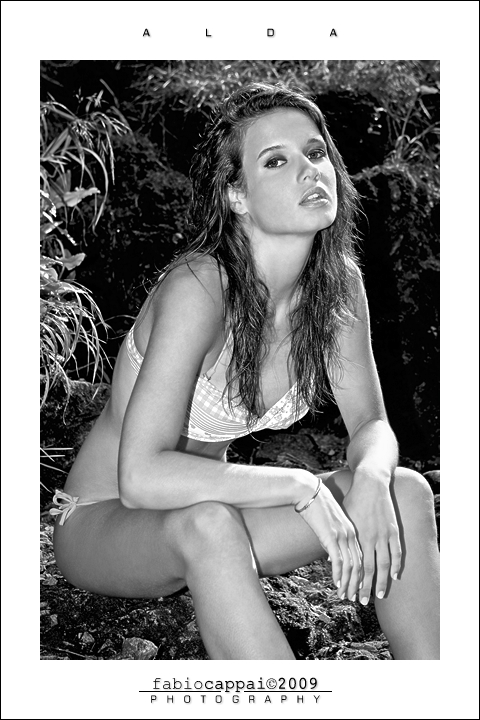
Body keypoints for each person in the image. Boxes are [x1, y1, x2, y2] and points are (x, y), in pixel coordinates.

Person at [51, 82, 440, 660]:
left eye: (315, 152)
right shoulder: (200, 287)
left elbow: (371, 424)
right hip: (107, 522)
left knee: (406, 491)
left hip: (224, 519)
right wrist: (299, 485)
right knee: (208, 524)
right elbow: (140, 477)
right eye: (276, 161)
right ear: (237, 195)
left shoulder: (337, 286)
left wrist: (372, 479)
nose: (310, 171)